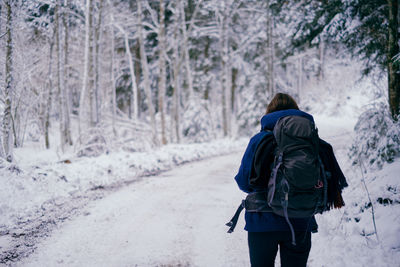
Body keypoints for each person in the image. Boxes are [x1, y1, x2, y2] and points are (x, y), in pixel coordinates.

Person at [231, 93, 347, 267]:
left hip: (262, 221)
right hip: (300, 221)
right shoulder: (314, 142)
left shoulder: (259, 140)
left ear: (269, 113)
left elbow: (244, 182)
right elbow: (331, 183)